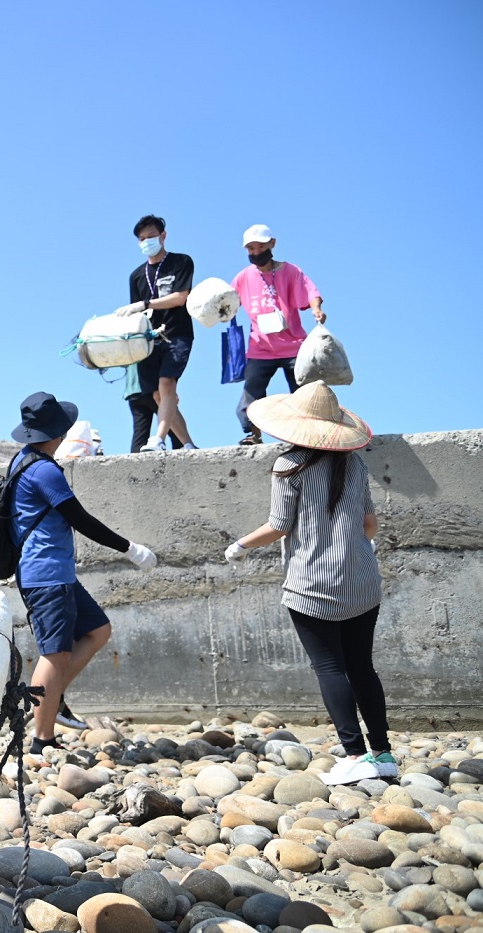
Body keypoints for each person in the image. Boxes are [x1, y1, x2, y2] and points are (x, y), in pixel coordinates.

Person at [224, 381, 393, 785]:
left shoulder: (289, 466)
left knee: (330, 667)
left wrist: (240, 546)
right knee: (362, 668)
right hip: (362, 582)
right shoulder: (356, 464)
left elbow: (280, 526)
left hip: (312, 584)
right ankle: (383, 754)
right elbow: (370, 525)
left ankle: (353, 755)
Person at [7, 393, 158, 753]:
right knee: (54, 654)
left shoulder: (22, 460)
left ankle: (53, 698)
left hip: (53, 573)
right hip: (47, 575)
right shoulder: (43, 469)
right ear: (57, 433)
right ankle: (41, 741)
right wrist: (131, 549)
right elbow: (80, 519)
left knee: (97, 630)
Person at [232, 224, 326, 445]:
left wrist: (317, 309)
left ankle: (308, 435)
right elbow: (227, 301)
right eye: (251, 249)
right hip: (260, 347)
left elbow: (311, 291)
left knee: (304, 392)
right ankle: (254, 435)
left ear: (272, 244)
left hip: (293, 345)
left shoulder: (290, 271)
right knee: (252, 392)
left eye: (261, 246)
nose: (256, 252)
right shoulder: (243, 277)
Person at [114, 214, 197, 451]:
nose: (146, 242)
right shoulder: (136, 275)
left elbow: (181, 297)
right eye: (142, 239)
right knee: (159, 396)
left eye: (151, 236)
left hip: (177, 335)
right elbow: (136, 315)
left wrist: (146, 304)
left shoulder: (181, 262)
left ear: (163, 236)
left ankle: (158, 439)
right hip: (148, 342)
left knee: (167, 383)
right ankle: (189, 444)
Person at [125, 364, 183, 454]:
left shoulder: (130, 350)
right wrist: (169, 394)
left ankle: (136, 464)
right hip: (152, 389)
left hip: (133, 391)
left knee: (140, 434)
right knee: (174, 429)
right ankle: (182, 459)